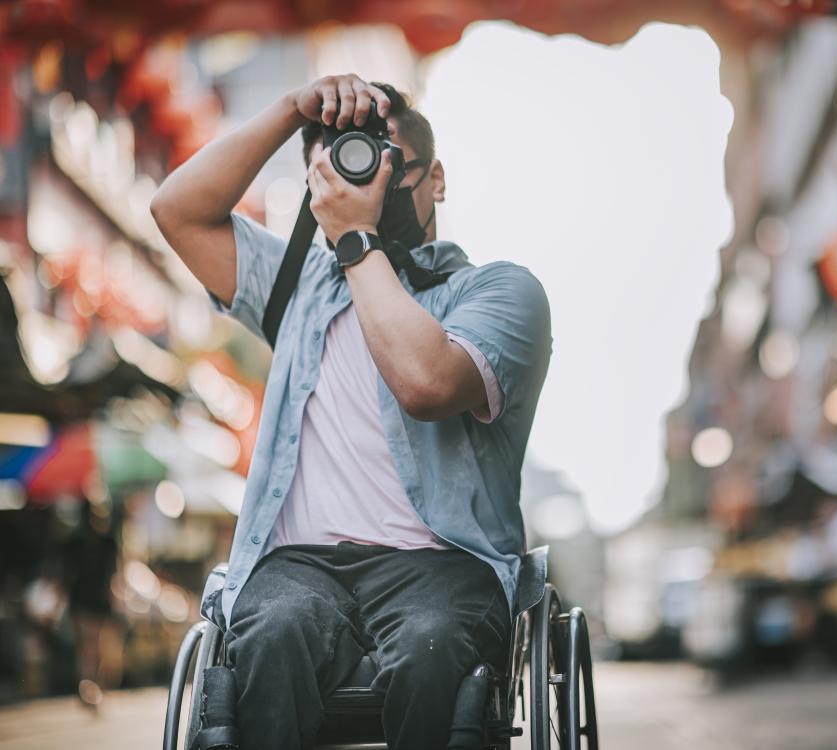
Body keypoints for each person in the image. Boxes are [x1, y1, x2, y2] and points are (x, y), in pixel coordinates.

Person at [151, 74, 551, 750]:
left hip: (444, 565)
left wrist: (356, 242)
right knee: (270, 636)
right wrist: (290, 107)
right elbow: (177, 210)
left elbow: (425, 383)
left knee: (431, 650)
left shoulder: (501, 292)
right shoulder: (298, 287)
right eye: (348, 159)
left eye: (385, 158)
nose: (370, 178)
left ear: (438, 178)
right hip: (299, 564)